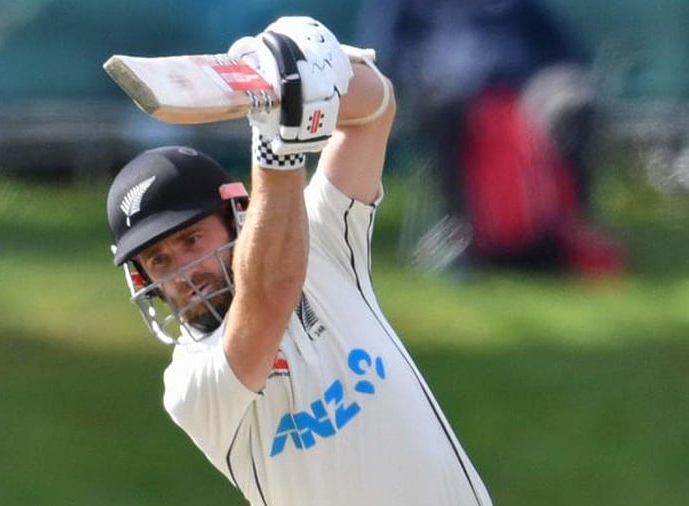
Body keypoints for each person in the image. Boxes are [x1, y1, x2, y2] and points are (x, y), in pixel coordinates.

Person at [105, 16, 493, 506]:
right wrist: (279, 135)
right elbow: (269, 299)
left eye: (191, 240)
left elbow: (375, 109)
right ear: (145, 280)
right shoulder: (193, 386)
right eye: (158, 260)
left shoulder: (321, 240)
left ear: (235, 218)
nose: (184, 271)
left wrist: (308, 80)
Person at [357, 0, 622, 274]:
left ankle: (571, 226)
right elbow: (387, 54)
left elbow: (558, 44)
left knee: (573, 102)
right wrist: (418, 78)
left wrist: (562, 80)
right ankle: (461, 231)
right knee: (443, 107)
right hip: (450, 91)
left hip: (526, 89)